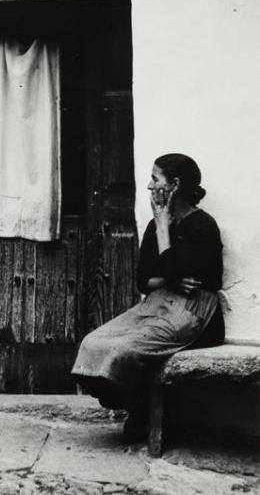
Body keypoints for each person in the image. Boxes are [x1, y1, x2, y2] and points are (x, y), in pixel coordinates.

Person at [72, 153, 224, 441]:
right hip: (157, 302)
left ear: (175, 185)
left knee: (126, 352)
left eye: (155, 179)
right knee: (91, 344)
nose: (149, 185)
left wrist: (166, 233)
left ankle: (141, 413)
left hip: (193, 311)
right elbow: (146, 280)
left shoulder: (202, 225)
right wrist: (171, 278)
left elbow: (178, 270)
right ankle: (136, 406)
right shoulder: (154, 226)